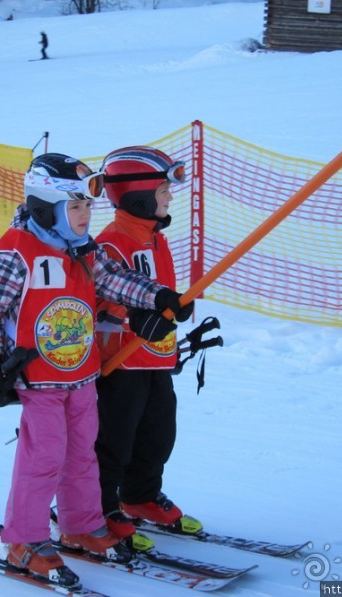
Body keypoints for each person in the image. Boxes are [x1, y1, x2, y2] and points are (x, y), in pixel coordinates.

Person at [0, 153, 190, 587]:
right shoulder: (16, 253)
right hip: (40, 379)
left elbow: (116, 280)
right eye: (74, 206)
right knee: (44, 456)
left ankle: (81, 525)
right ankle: (24, 540)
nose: (86, 215)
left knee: (82, 453)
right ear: (43, 207)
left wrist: (159, 296)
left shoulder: (84, 251)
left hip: (82, 375)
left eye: (87, 206)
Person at [93, 146, 201, 546]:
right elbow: (96, 302)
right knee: (114, 440)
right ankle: (98, 506)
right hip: (120, 363)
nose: (169, 197)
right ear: (138, 195)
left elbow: (156, 295)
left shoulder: (155, 239)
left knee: (158, 433)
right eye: (162, 191)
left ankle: (139, 496)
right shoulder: (111, 243)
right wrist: (132, 318)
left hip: (154, 357)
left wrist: (170, 315)